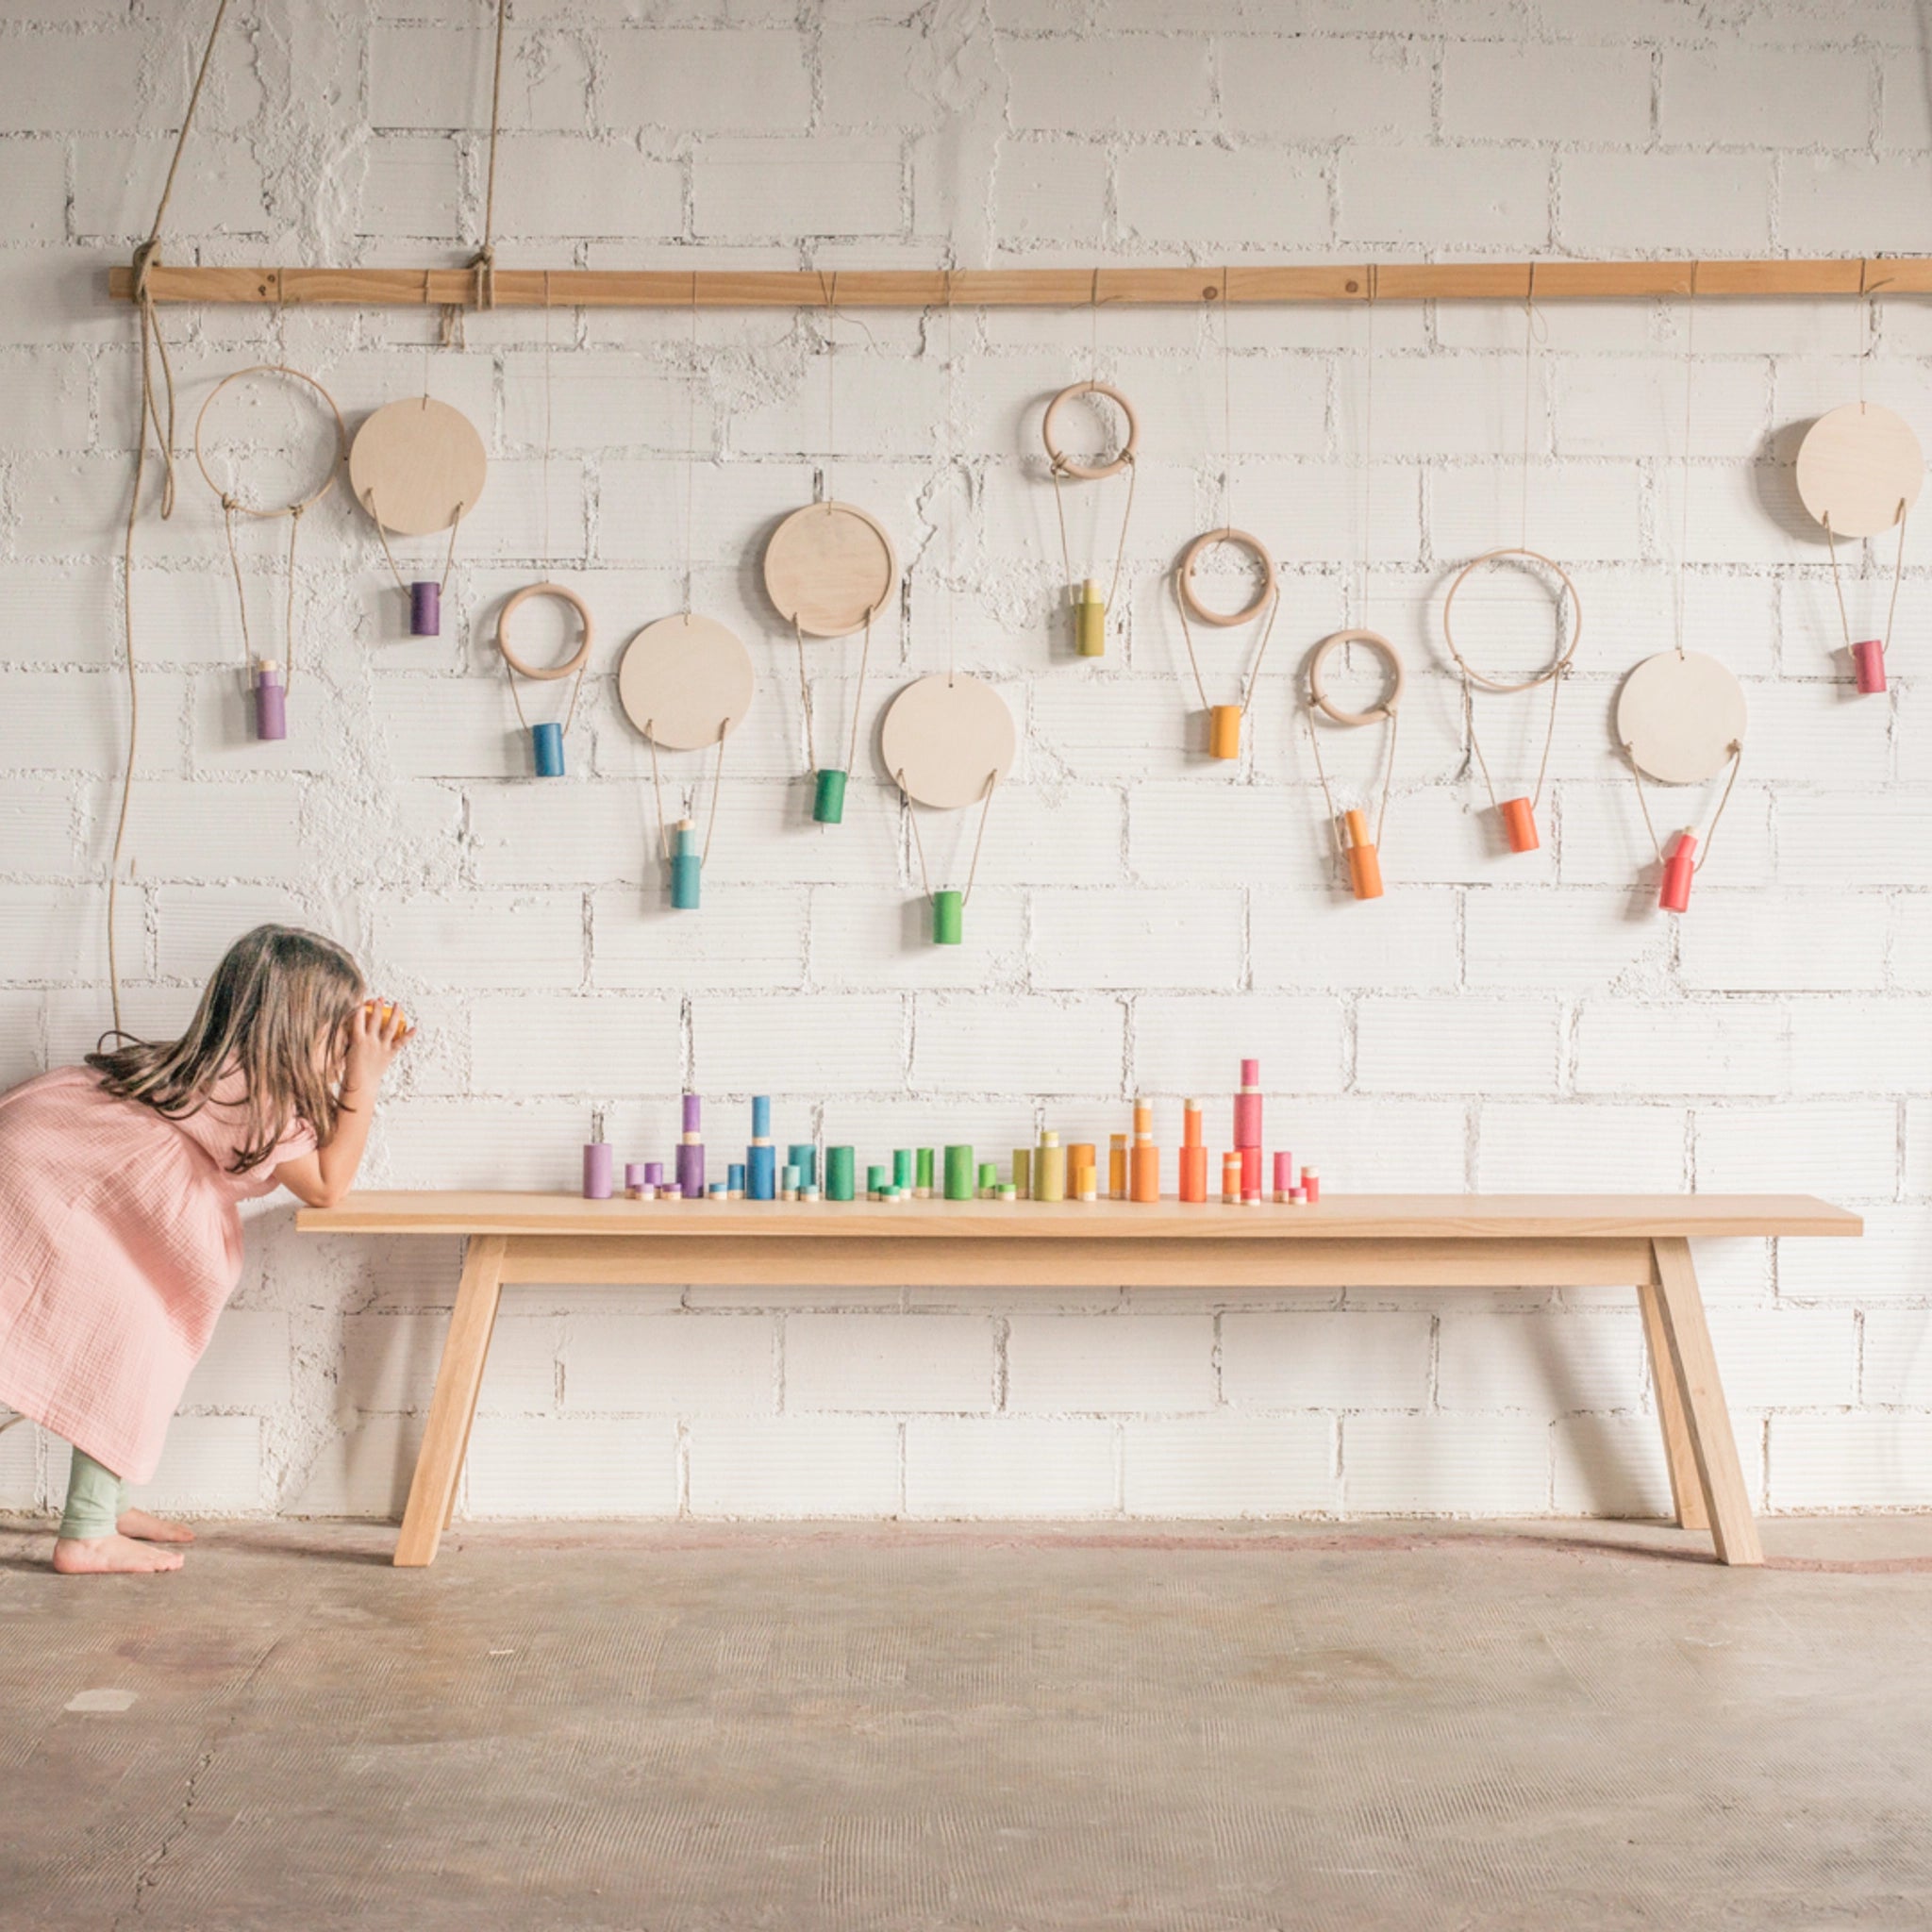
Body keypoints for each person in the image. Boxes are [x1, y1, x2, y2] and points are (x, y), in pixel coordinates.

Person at [0, 925, 409, 1575]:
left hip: (59, 1158)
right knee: (132, 1341)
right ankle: (85, 1532)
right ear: (301, 1031)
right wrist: (366, 1078)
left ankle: (104, 1501)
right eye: (340, 1033)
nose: (347, 1047)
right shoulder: (264, 1100)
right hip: (64, 1178)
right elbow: (328, 1187)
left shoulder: (224, 1071)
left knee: (130, 1341)